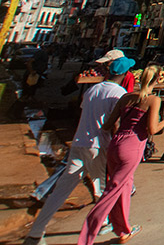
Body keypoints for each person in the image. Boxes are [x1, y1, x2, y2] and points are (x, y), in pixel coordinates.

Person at [22, 59, 131, 245]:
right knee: (104, 189)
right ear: (125, 74)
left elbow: (84, 114)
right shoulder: (119, 94)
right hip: (99, 146)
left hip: (79, 142)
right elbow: (114, 123)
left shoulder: (92, 90)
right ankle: (102, 225)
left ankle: (35, 232)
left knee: (62, 191)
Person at [77, 66, 164, 245]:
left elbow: (108, 124)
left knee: (123, 188)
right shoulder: (153, 100)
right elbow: (152, 129)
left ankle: (123, 230)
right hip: (132, 148)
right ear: (156, 81)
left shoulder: (126, 98)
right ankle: (85, 239)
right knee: (111, 192)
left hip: (116, 144)